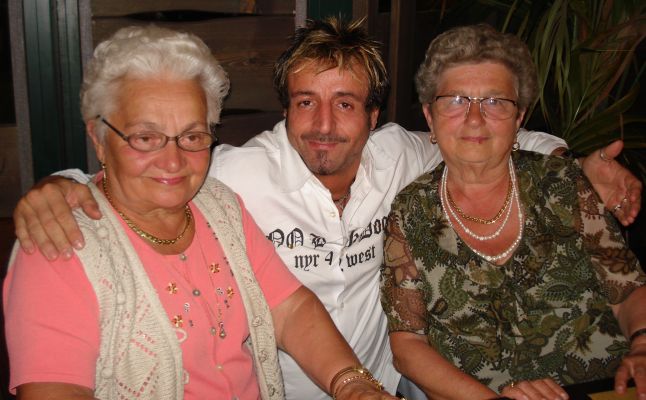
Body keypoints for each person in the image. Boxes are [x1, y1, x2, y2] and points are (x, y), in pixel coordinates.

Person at [10, 18, 643, 400]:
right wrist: (60, 185)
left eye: (345, 104)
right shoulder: (230, 177)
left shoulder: (397, 156)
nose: (322, 125)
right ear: (284, 109)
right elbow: (140, 169)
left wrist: (571, 160)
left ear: (375, 117)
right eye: (304, 101)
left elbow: (479, 130)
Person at [3, 26, 398, 400]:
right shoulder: (57, 245)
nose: (173, 161)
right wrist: (58, 181)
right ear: (99, 139)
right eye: (146, 137)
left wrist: (351, 384)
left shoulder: (218, 205)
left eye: (192, 136)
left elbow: (290, 309)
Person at [380, 24, 646, 400]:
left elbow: (627, 287)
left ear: (519, 117)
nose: (474, 118)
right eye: (455, 100)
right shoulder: (410, 213)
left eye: (494, 102)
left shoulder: (564, 183)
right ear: (429, 116)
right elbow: (408, 347)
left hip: (599, 388)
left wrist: (643, 344)